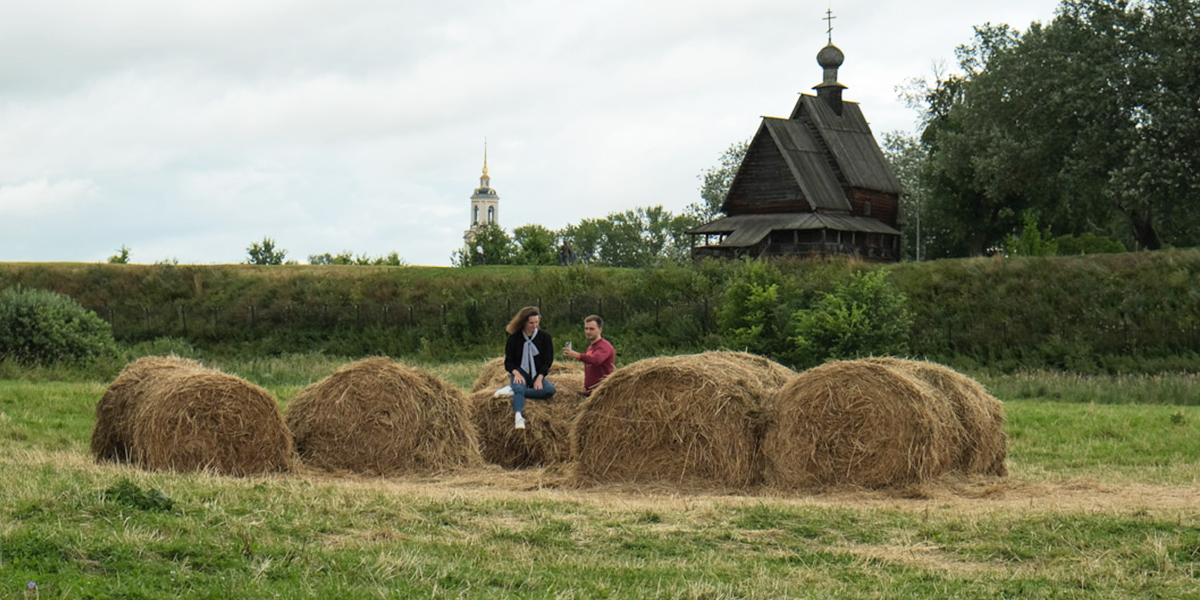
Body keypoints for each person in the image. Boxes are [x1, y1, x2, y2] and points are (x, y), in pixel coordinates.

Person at [502, 306, 556, 429]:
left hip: (537, 373)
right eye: (531, 323)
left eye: (537, 322)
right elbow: (508, 362)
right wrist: (516, 373)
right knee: (519, 386)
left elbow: (547, 361)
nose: (534, 325)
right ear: (524, 322)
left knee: (550, 390)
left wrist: (539, 378)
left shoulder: (545, 338)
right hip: (520, 372)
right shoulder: (514, 339)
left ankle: (514, 392)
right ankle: (518, 416)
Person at [563, 314, 615, 394]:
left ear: (600, 330)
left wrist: (578, 356)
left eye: (591, 329)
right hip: (591, 392)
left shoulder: (604, 346)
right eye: (586, 328)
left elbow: (596, 360)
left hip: (602, 393)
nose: (588, 332)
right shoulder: (590, 348)